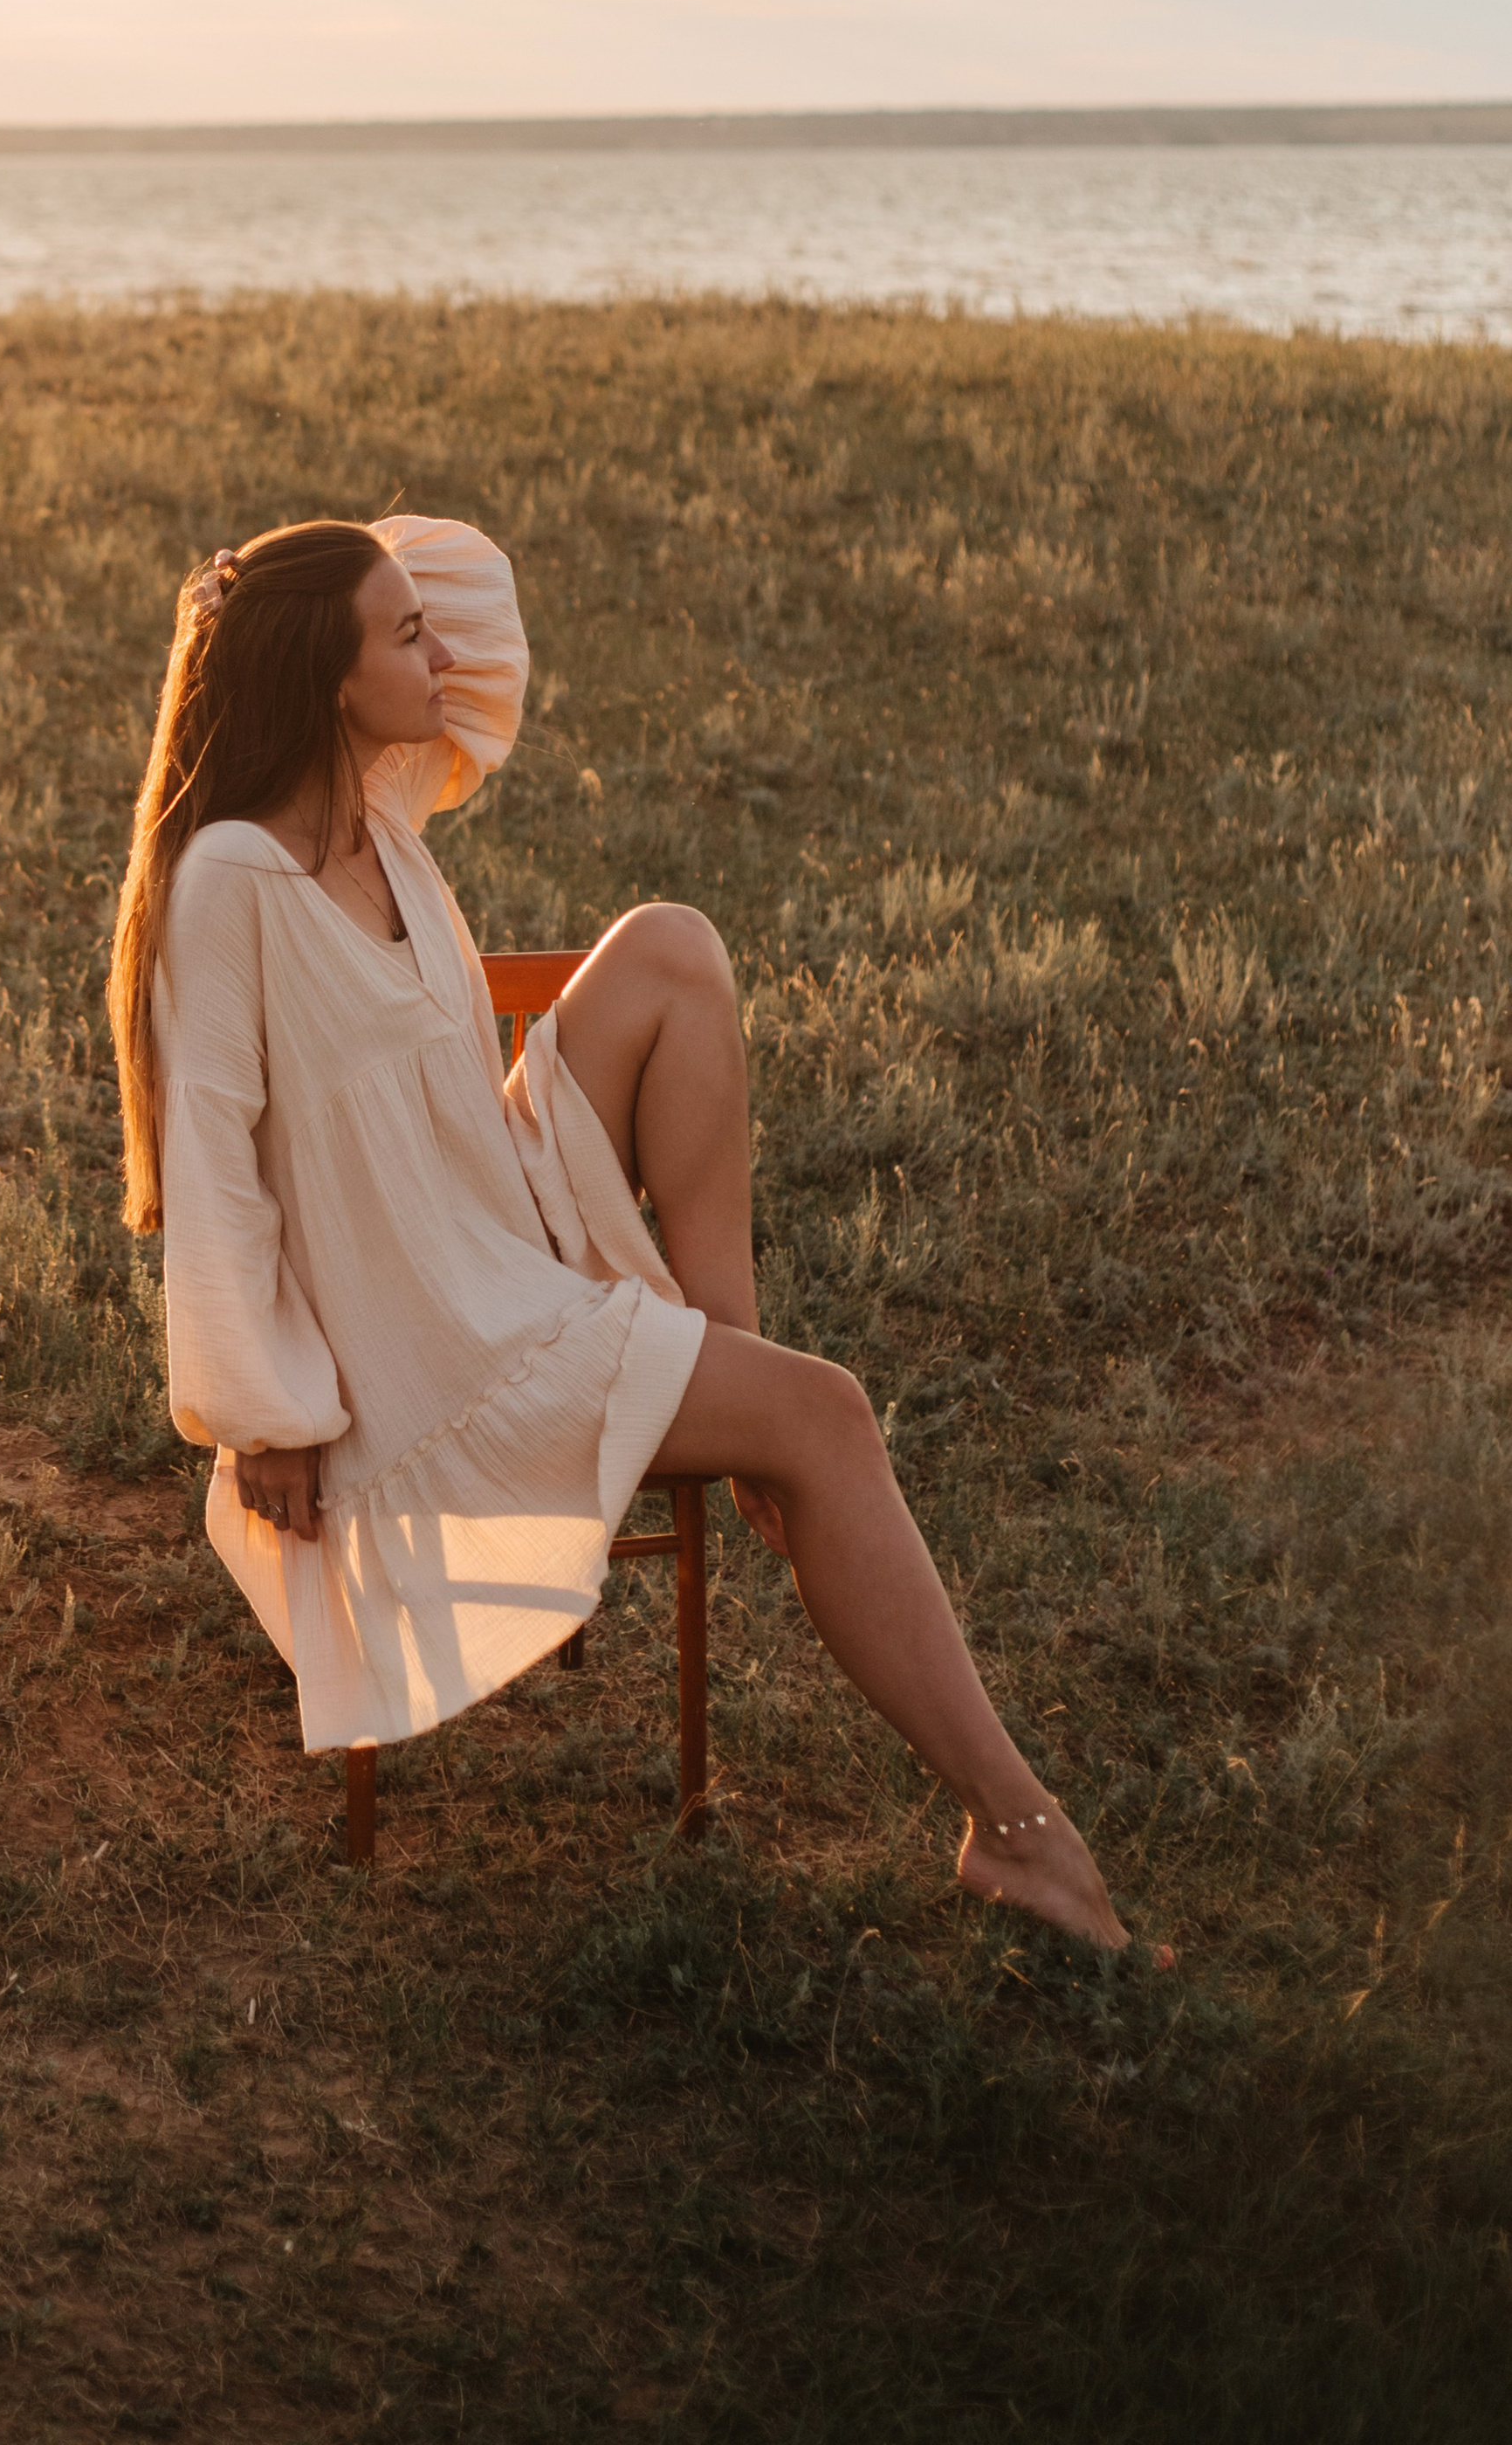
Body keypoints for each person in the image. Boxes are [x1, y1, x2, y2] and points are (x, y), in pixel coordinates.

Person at [107, 515, 1127, 1948]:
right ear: (329, 681)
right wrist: (266, 1411)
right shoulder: (232, 884)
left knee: (672, 944)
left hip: (496, 1220)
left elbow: (473, 618)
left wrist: (319, 583)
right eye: (403, 638)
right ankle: (1016, 1832)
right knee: (828, 1419)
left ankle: (728, 1371)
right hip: (438, 1342)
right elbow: (215, 1158)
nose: (442, 655)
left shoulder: (376, 821)